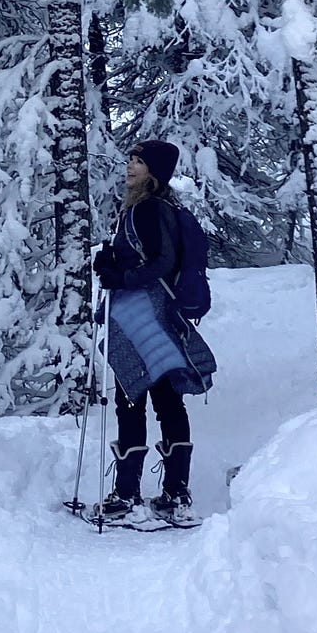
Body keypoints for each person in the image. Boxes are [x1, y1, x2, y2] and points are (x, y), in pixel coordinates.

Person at [91, 138, 212, 524]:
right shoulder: (159, 208)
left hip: (140, 314)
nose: (129, 167)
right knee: (166, 399)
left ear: (154, 173)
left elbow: (161, 262)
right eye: (130, 159)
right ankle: (176, 495)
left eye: (138, 162)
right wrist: (115, 260)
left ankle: (127, 497)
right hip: (158, 314)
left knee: (132, 394)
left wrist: (119, 275)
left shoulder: (147, 208)